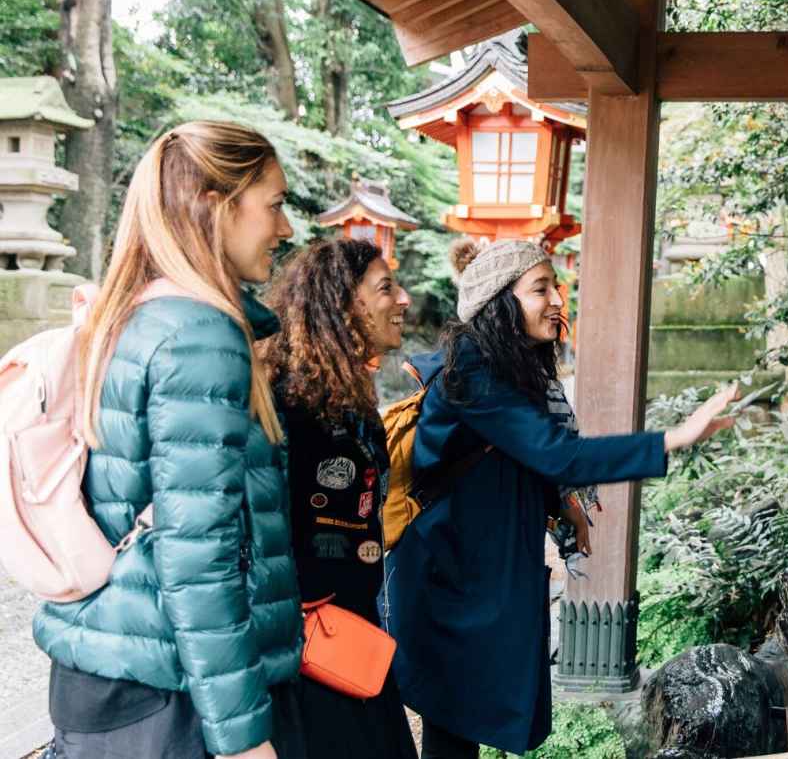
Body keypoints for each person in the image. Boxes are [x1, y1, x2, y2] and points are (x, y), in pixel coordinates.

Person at [385, 238, 738, 759]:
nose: (557, 300)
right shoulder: (475, 372)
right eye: (540, 289)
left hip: (474, 570)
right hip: (447, 575)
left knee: (464, 712)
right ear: (499, 302)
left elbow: (519, 457)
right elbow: (559, 454)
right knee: (453, 717)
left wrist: (561, 506)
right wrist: (673, 438)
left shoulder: (508, 366)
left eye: (556, 286)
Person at [33, 122, 304, 759]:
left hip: (113, 670)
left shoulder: (135, 315)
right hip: (167, 695)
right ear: (216, 205)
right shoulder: (199, 335)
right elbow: (197, 555)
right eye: (275, 204)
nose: (286, 228)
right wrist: (243, 739)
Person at [258, 237, 418, 759]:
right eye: (385, 287)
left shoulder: (345, 394)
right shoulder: (289, 403)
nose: (403, 300)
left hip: (352, 636)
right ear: (340, 303)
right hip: (308, 651)